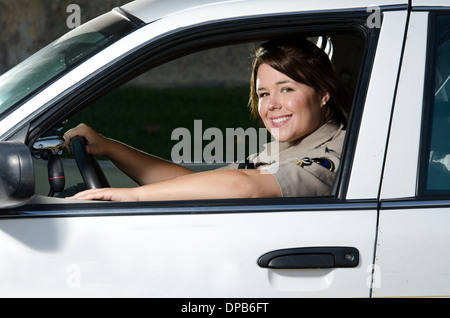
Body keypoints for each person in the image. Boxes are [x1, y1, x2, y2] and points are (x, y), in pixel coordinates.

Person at [64, 38, 351, 201]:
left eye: (286, 89)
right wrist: (109, 148)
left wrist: (133, 198)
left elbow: (244, 187)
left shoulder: (333, 155)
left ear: (323, 94)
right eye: (263, 93)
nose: (271, 105)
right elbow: (198, 183)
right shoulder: (285, 148)